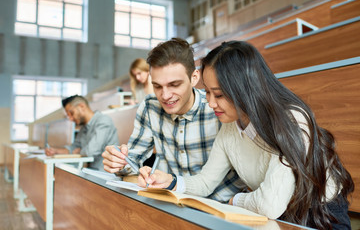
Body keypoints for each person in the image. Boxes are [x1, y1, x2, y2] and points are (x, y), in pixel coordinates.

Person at [138, 41, 354, 230]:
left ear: (243, 89)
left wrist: (236, 200)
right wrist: (172, 182)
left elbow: (270, 205)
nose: (211, 103)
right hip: (279, 215)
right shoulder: (231, 126)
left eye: (219, 94)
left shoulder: (292, 119)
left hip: (321, 213)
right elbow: (206, 182)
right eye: (208, 93)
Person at [102, 38, 244, 202]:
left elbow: (238, 176)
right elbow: (132, 159)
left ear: (194, 77)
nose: (165, 96)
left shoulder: (219, 109)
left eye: (174, 84)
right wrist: (119, 162)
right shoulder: (150, 107)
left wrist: (202, 206)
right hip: (170, 201)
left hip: (217, 205)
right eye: (157, 86)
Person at [45, 95, 119, 171]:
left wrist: (80, 150)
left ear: (82, 106)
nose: (70, 119)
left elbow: (90, 151)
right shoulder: (84, 127)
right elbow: (74, 148)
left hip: (104, 173)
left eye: (71, 113)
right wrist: (56, 151)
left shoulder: (103, 121)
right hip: (90, 171)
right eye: (68, 116)